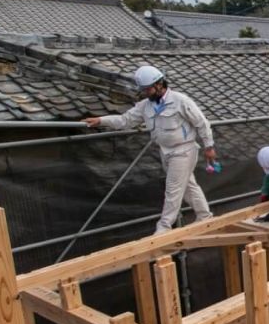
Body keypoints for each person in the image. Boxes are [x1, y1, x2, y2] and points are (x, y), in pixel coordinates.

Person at [83, 65, 216, 234]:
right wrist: (101, 121)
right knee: (189, 186)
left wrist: (209, 146)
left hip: (184, 150)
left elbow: (201, 123)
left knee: (173, 188)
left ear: (159, 85)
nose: (146, 93)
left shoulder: (180, 100)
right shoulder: (145, 106)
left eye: (147, 89)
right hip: (166, 151)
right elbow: (125, 120)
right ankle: (204, 216)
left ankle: (164, 227)